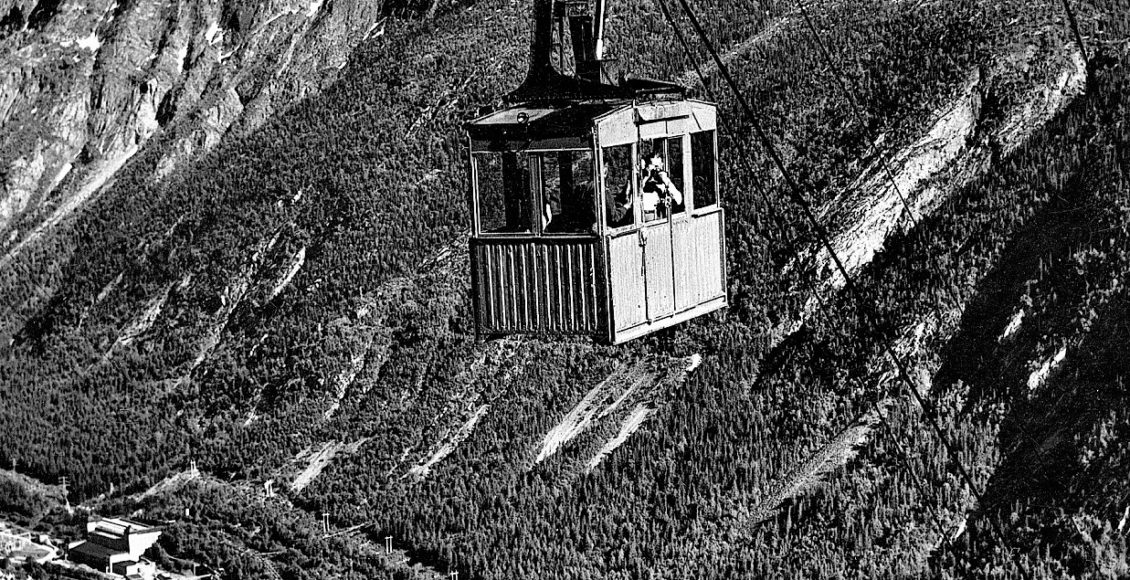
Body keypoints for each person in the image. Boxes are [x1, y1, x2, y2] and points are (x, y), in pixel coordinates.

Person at [639, 149, 682, 221]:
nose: (655, 169)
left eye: (658, 166)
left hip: (658, 218)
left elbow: (678, 200)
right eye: (653, 166)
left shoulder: (665, 182)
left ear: (662, 165)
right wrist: (646, 177)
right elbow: (635, 196)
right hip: (643, 217)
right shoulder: (642, 181)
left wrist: (666, 182)